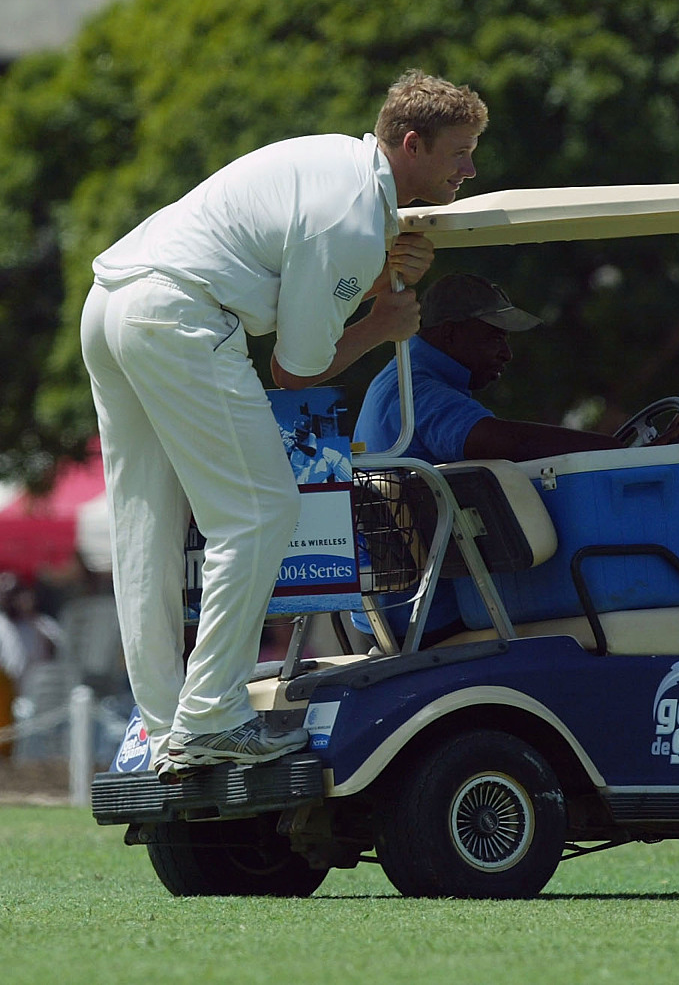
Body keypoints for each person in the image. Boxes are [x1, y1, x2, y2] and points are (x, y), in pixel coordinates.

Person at [80, 69, 488, 782]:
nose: (470, 168)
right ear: (413, 144)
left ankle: (161, 723)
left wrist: (376, 269)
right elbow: (296, 372)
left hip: (113, 302)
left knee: (144, 524)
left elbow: (298, 274)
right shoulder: (355, 219)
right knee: (262, 510)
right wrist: (380, 321)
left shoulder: (338, 168)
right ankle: (210, 720)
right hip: (179, 316)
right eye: (460, 151)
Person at [352, 273, 679, 645]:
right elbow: (496, 439)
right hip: (428, 614)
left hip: (407, 609)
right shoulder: (420, 389)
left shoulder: (405, 377)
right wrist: (615, 451)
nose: (506, 353)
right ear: (449, 334)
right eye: (495, 335)